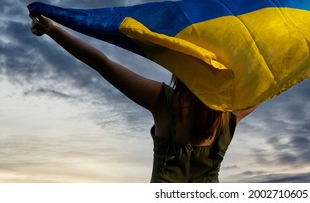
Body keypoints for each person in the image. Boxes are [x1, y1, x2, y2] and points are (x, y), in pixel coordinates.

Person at [29, 13, 258, 183]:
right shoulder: (230, 114)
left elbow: (102, 64)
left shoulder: (164, 101)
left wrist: (54, 29)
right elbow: (275, 84)